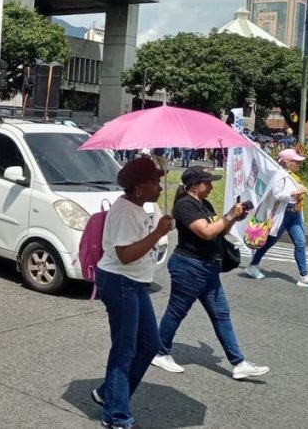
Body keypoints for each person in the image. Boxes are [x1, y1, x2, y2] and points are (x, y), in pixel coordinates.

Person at [151, 166, 270, 380]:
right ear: (195, 185)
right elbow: (205, 233)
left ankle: (238, 362)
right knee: (177, 311)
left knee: (221, 314)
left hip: (208, 267)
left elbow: (219, 229)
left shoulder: (203, 204)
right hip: (189, 266)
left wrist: (233, 217)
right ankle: (160, 352)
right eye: (208, 182)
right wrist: (228, 216)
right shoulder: (185, 205)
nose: (212, 186)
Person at [92, 158, 174, 429]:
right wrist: (158, 232)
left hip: (135, 283)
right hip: (120, 281)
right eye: (154, 182)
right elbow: (125, 255)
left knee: (150, 345)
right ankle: (116, 416)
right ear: (139, 187)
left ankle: (108, 393)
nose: (159, 187)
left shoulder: (139, 207)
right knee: (125, 349)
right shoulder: (125, 211)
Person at [245, 149, 308, 289]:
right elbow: (277, 194)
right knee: (269, 242)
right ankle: (253, 265)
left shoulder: (293, 176)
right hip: (283, 214)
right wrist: (295, 192)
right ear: (287, 162)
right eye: (296, 161)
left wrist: (298, 193)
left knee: (300, 242)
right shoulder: (279, 175)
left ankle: (304, 276)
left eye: (299, 162)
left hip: (295, 214)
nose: (299, 164)